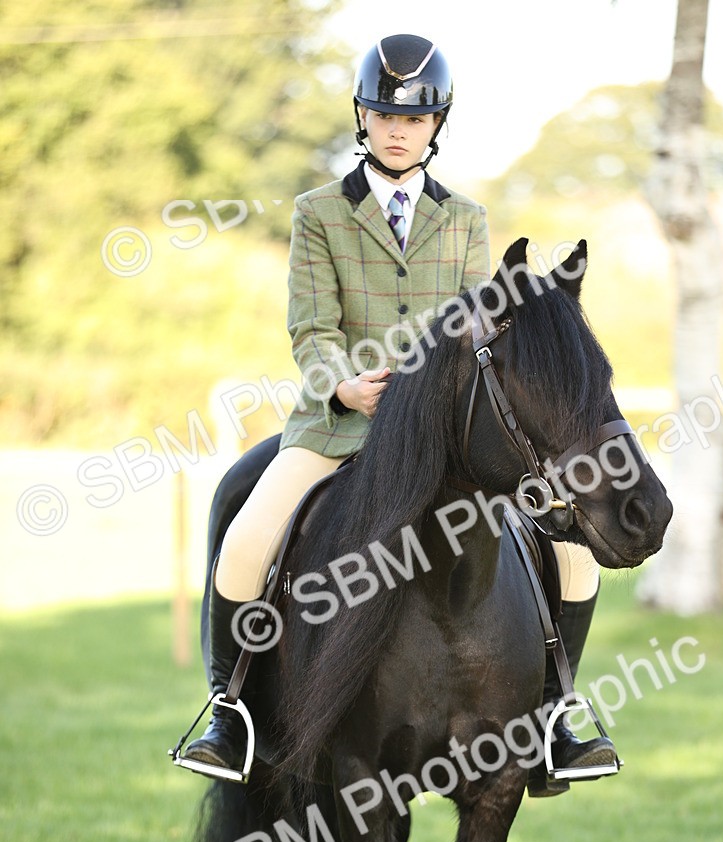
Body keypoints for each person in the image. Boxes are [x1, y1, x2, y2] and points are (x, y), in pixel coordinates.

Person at [173, 33, 617, 795]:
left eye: (413, 118)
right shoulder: (318, 213)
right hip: (340, 426)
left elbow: (478, 329)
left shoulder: (467, 219)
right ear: (363, 118)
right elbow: (311, 327)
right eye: (383, 115)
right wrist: (341, 383)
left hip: (442, 442)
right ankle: (230, 714)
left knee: (573, 555)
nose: (397, 130)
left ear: (436, 124)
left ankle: (553, 718)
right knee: (245, 540)